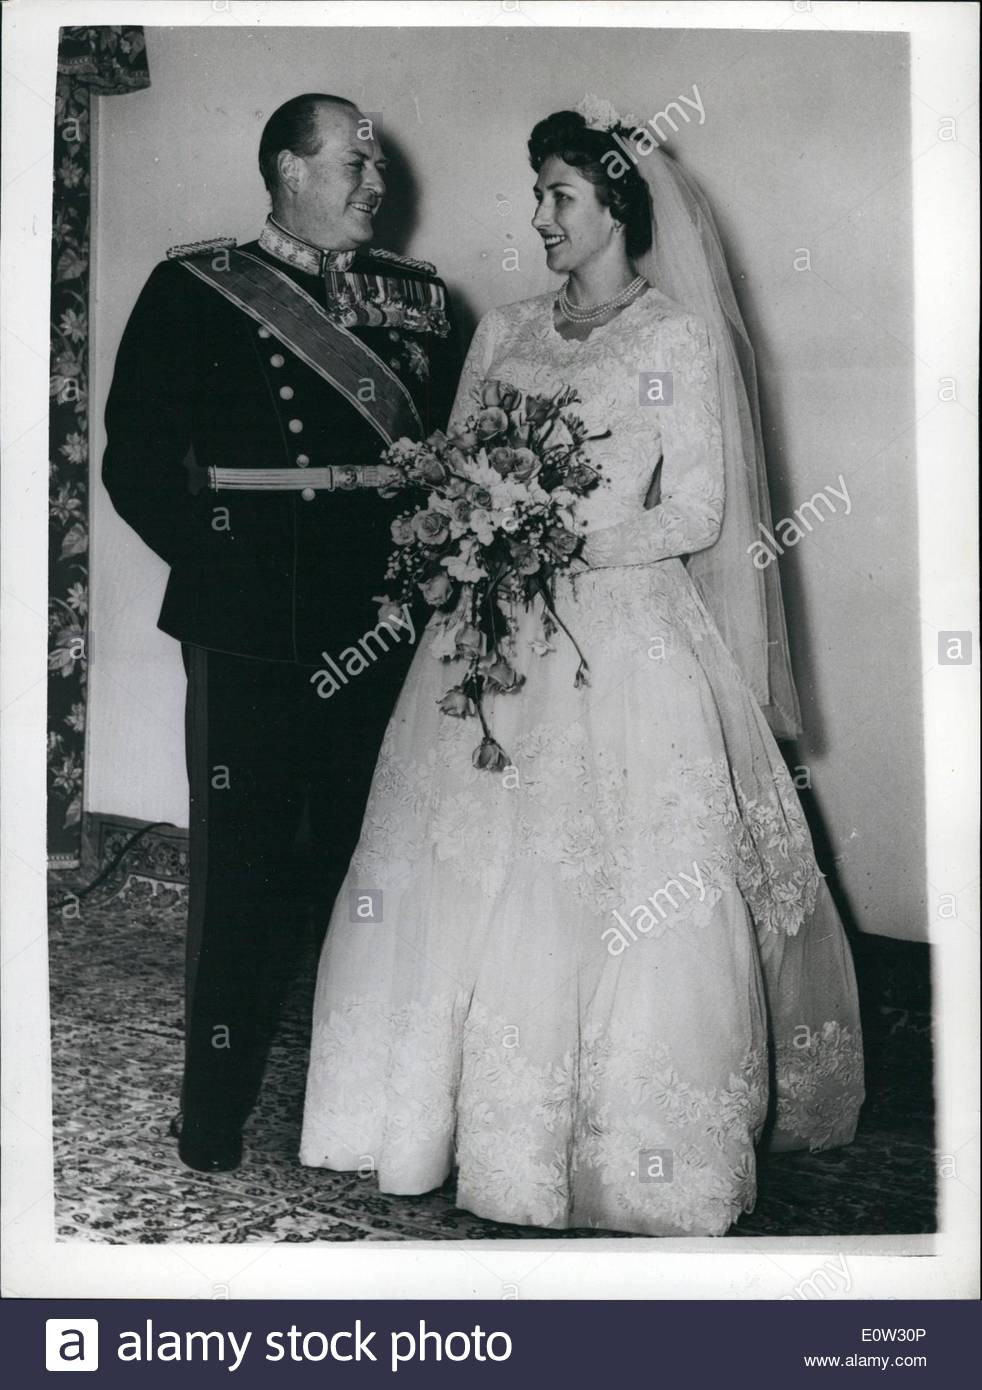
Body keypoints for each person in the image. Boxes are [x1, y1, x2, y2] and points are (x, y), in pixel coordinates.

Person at [299, 103, 864, 1236]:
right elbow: (454, 466)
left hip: (619, 643)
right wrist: (474, 521)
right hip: (487, 636)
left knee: (607, 884)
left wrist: (553, 537)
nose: (539, 216)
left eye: (559, 195)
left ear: (617, 207)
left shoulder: (670, 342)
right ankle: (422, 1119)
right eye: (536, 193)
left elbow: (698, 509)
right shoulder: (501, 328)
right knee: (454, 859)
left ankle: (608, 1145)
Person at [103, 93, 459, 1173]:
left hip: (383, 616)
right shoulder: (194, 287)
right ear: (285, 171)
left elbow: (445, 453)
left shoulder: (421, 303)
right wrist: (226, 569)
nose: (372, 185)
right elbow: (136, 462)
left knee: (370, 860)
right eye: (350, 164)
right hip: (251, 618)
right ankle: (211, 1113)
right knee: (243, 869)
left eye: (379, 168)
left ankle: (360, 1115)